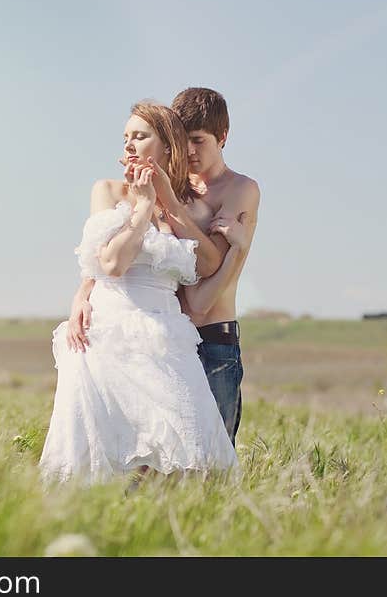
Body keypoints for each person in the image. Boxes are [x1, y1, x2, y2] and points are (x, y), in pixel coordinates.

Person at [38, 102, 238, 485]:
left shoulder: (190, 206)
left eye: (140, 136)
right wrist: (144, 206)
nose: (129, 144)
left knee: (187, 453)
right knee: (104, 453)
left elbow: (209, 264)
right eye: (126, 137)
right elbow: (111, 264)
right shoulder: (108, 190)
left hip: (168, 339)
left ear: (167, 146)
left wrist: (167, 199)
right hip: (108, 333)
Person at [66, 88, 260, 446]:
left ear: (223, 137)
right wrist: (83, 292)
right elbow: (104, 256)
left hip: (211, 332)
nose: (189, 151)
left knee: (209, 459)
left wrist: (240, 250)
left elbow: (204, 285)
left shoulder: (237, 190)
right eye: (183, 141)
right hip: (163, 336)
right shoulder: (168, 189)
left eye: (198, 141)